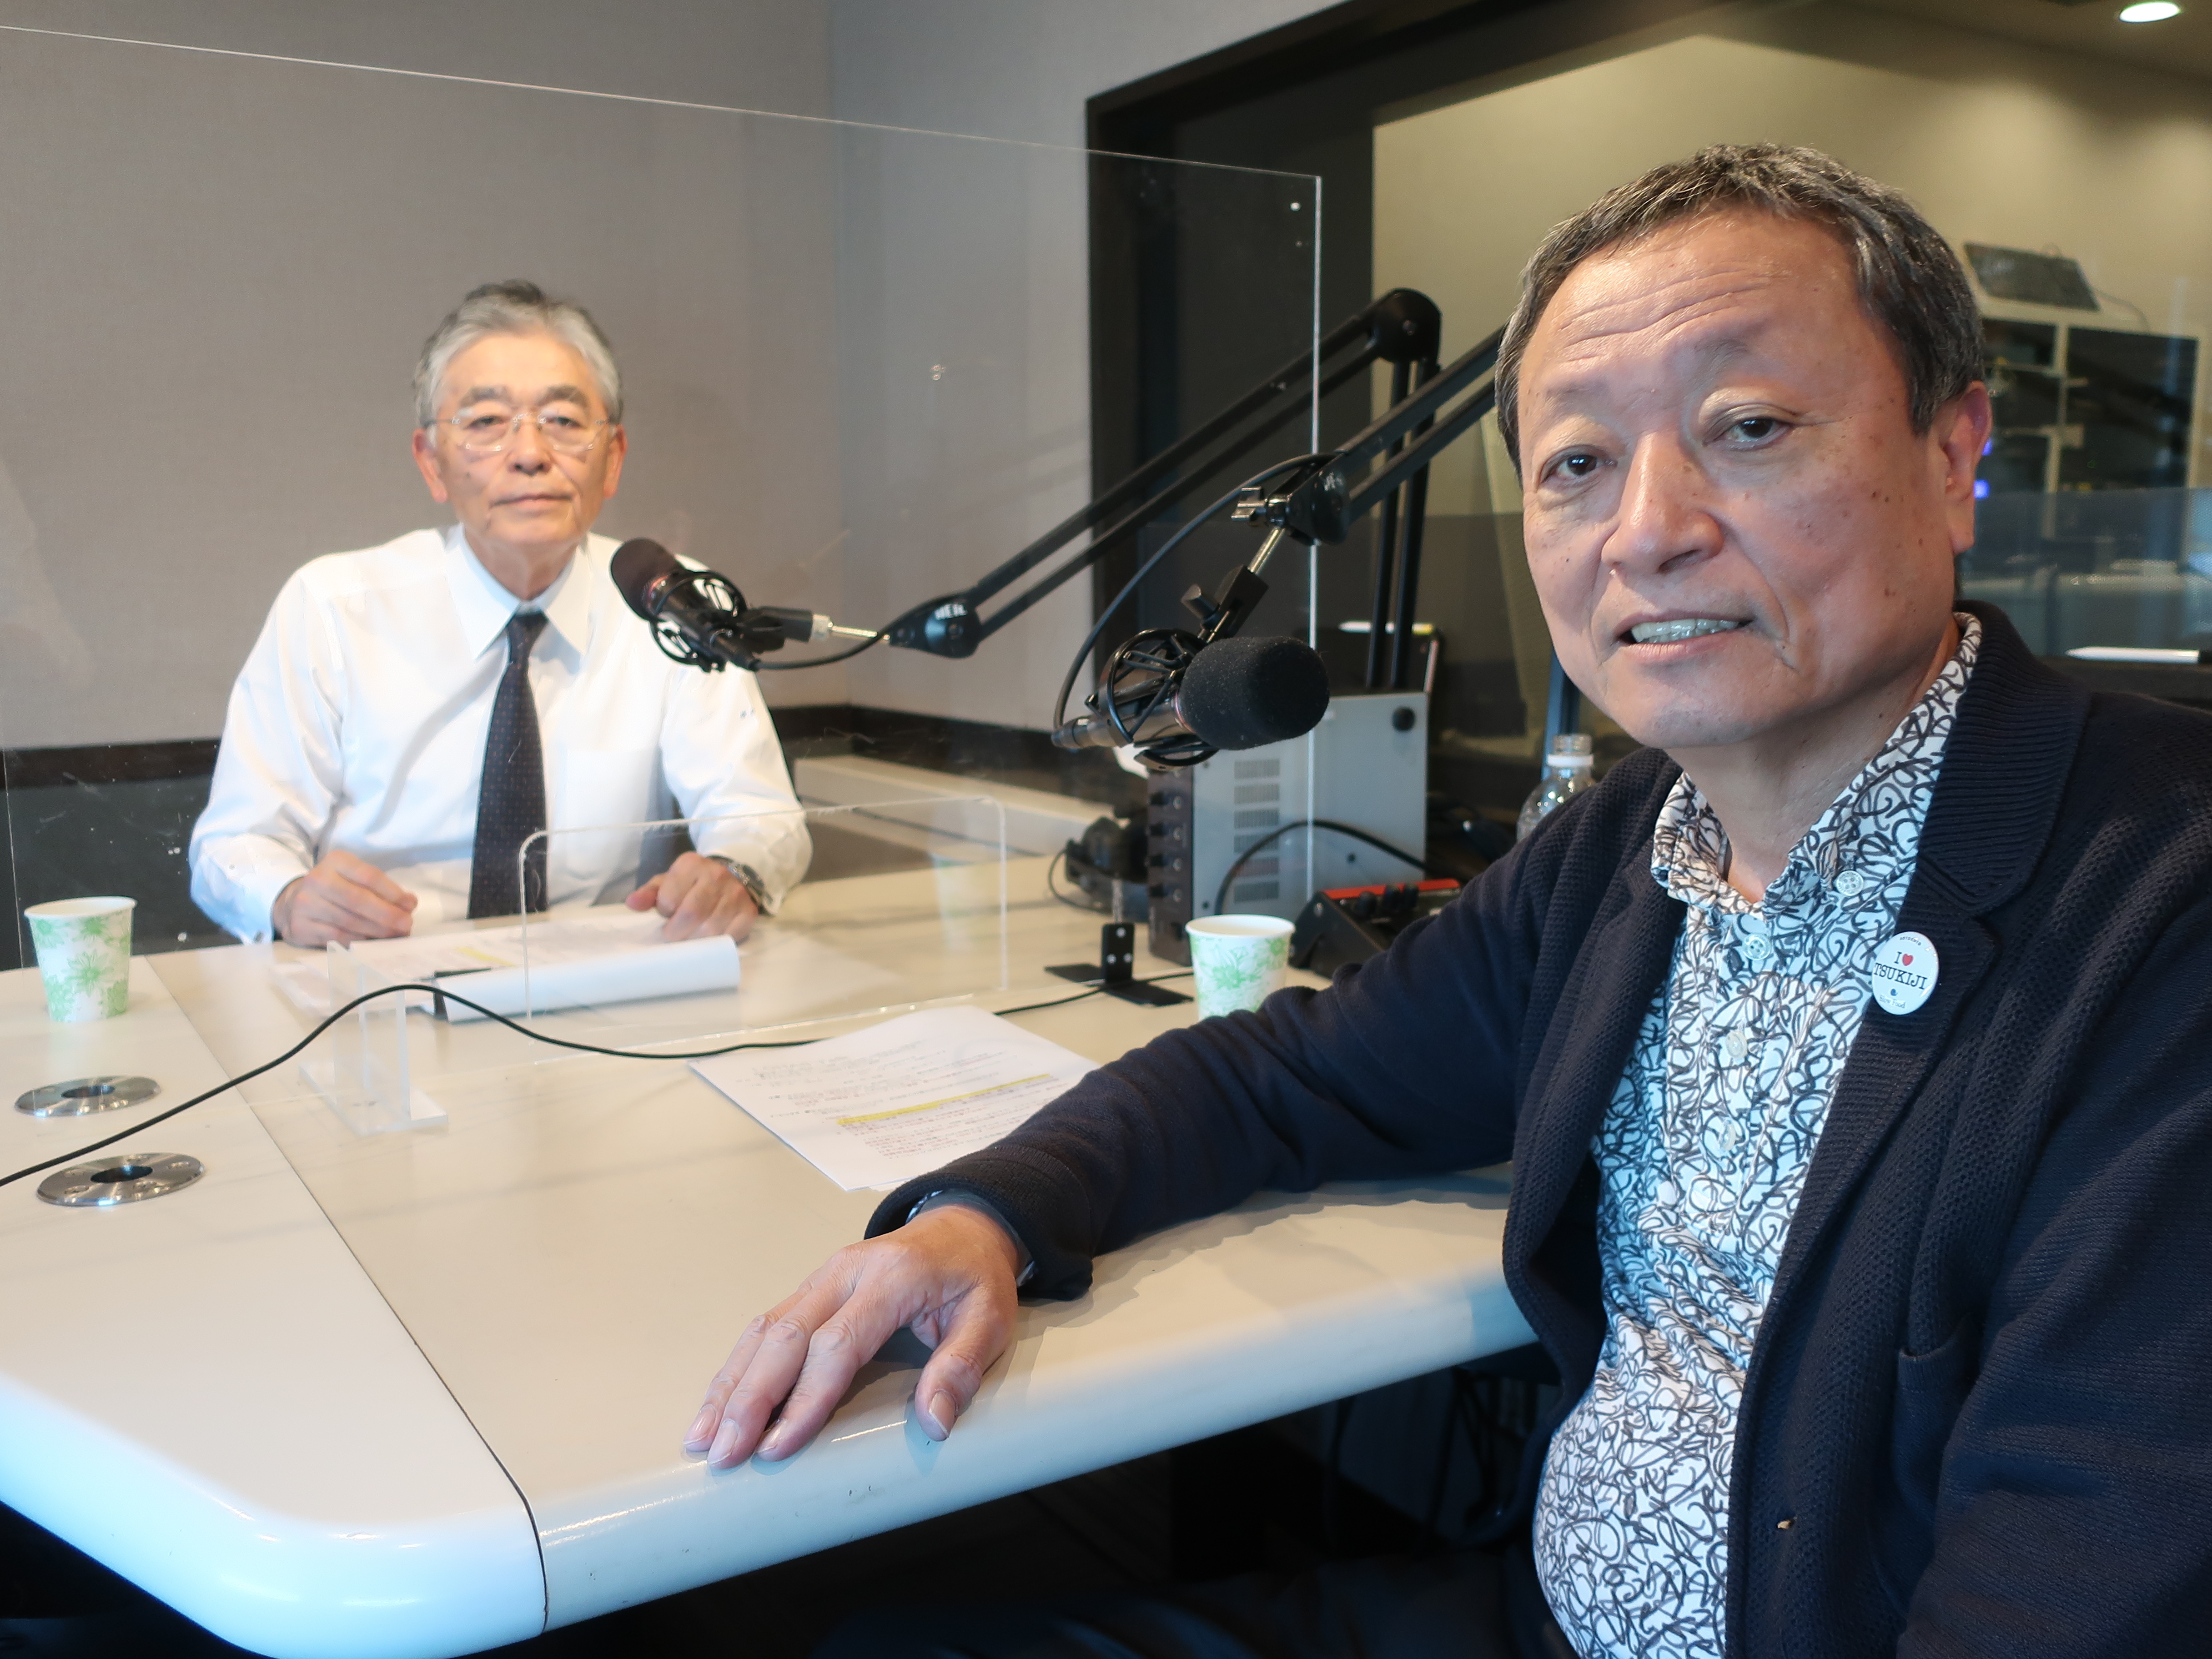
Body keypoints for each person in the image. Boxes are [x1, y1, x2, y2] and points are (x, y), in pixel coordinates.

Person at [683, 145, 2212, 1657]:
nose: (1647, 527)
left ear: (1953, 455)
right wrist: (990, 1211)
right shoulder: (1628, 848)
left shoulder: (2160, 902)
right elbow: (1293, 1073)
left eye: (1748, 427)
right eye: (1576, 465)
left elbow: (2079, 1562)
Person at [190, 281, 808, 947]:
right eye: (486, 422)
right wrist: (287, 897)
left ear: (613, 460)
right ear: (432, 464)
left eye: (564, 421)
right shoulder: (333, 609)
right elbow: (235, 842)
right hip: (383, 978)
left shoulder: (673, 603)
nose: (531, 453)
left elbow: (760, 816)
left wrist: (734, 873)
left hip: (606, 976)